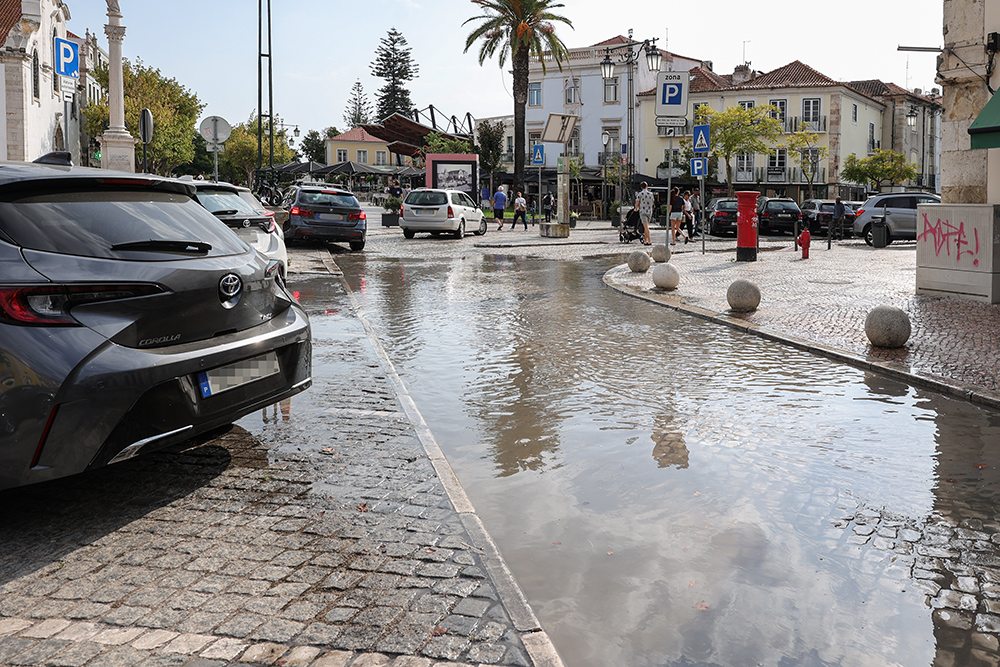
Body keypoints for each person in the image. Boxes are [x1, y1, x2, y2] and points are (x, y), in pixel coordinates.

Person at [634, 181, 655, 245]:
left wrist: (636, 208)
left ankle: (649, 241)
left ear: (641, 187)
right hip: (649, 211)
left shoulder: (640, 194)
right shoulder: (651, 194)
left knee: (646, 227)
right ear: (647, 186)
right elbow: (653, 203)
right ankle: (645, 241)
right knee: (646, 226)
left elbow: (637, 202)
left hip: (643, 211)